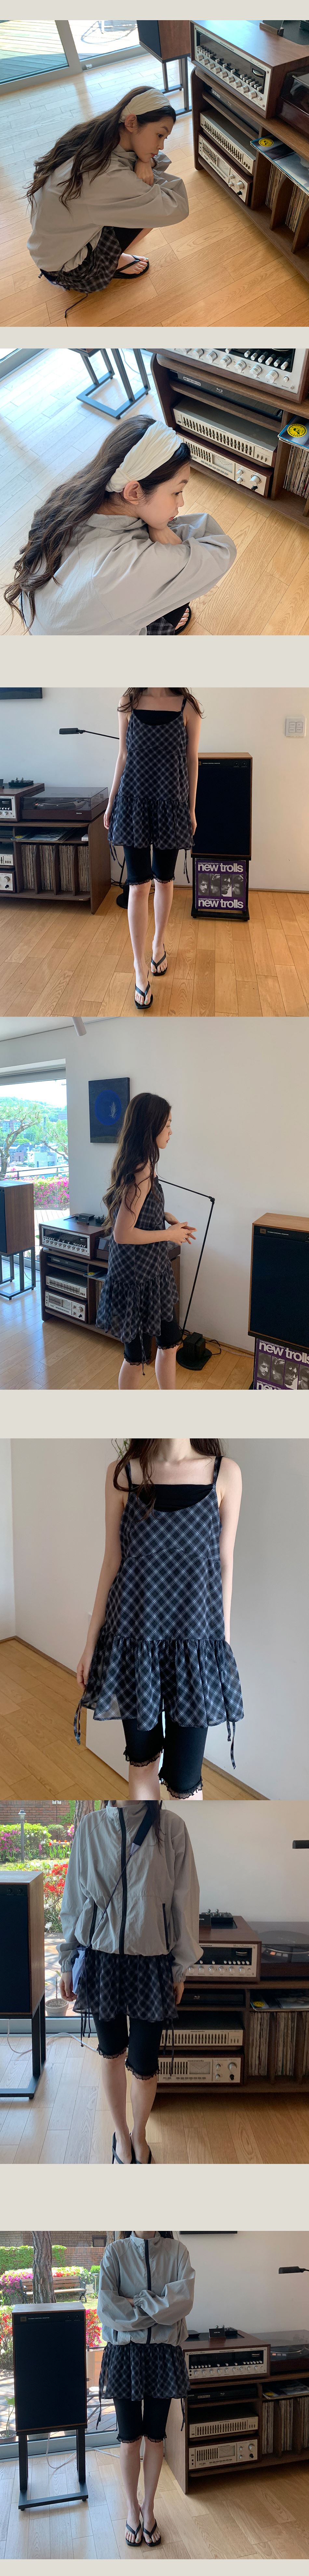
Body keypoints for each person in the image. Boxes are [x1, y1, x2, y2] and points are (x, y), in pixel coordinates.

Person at [75, 1435, 244, 1796]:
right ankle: (146, 1834)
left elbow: (225, 1564)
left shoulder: (225, 1474)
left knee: (185, 1782)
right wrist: (91, 1644)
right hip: (135, 1646)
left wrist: (222, 1646)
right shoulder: (122, 1474)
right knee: (142, 1764)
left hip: (196, 1650)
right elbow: (111, 1561)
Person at [58, 1800, 200, 2165]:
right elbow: (75, 1899)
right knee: (111, 2052)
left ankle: (140, 2134)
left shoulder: (171, 1827)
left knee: (144, 2061)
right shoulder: (90, 1828)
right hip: (102, 1959)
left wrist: (180, 1968)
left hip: (152, 1961)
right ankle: (121, 2135)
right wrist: (68, 1960)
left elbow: (184, 1902)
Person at [5, 416, 236, 637]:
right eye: (177, 492)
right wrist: (160, 528)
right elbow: (221, 551)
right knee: (177, 592)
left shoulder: (71, 499)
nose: (182, 502)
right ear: (134, 492)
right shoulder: (127, 566)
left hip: (44, 619)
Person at [27, 87, 189, 306]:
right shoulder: (106, 176)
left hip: (48, 251)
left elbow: (150, 161)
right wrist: (145, 163)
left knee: (137, 197)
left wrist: (145, 160)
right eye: (160, 135)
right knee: (150, 208)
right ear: (132, 123)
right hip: (71, 271)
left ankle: (107, 252)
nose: (161, 146)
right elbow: (177, 206)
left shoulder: (93, 136)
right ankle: (112, 263)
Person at [104, 686, 202, 1009]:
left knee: (164, 879)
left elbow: (192, 760)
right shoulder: (128, 703)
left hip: (171, 804)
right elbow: (123, 755)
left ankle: (158, 945)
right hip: (132, 803)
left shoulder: (188, 708)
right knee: (137, 886)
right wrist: (111, 801)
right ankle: (139, 969)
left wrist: (191, 809)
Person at [97, 2231, 195, 2544]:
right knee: (129, 2440)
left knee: (155, 2437)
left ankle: (149, 2509)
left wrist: (134, 2302)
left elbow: (183, 2303)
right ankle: (132, 2510)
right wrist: (160, 2309)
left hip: (164, 2356)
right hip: (125, 2356)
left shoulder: (178, 2252)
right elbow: (107, 2308)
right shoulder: (115, 2252)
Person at [94, 1091, 195, 1387]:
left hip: (152, 1271)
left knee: (170, 1343)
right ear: (152, 1127)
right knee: (136, 1357)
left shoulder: (143, 1164)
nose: (171, 1131)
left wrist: (165, 1216)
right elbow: (123, 1233)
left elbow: (136, 1209)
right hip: (135, 1277)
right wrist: (170, 1235)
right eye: (168, 1125)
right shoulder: (142, 1169)